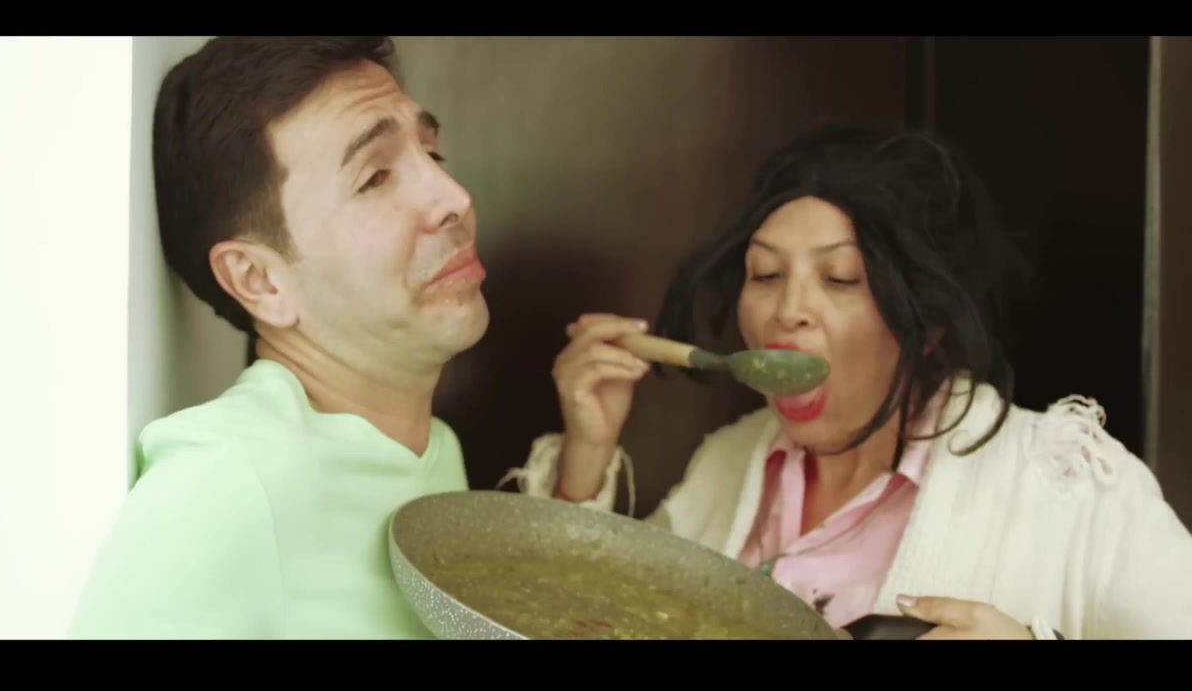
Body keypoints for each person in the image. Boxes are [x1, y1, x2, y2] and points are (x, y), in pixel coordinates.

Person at [501, 124, 1192, 639]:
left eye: (840, 279)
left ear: (927, 322)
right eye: (766, 274)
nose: (787, 309)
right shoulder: (727, 466)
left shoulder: (1068, 485)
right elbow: (584, 623)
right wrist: (587, 453)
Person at [68, 36, 488, 639]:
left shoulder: (434, 450)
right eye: (375, 177)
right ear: (259, 280)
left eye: (433, 153)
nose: (454, 199)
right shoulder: (222, 483)